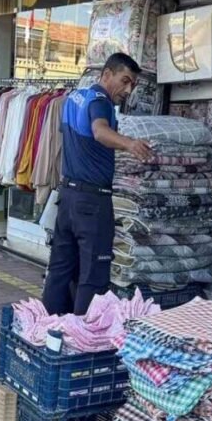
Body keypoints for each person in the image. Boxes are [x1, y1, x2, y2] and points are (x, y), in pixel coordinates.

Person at [41, 52, 153, 316]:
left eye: (133, 85)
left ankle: (48, 332)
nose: (128, 90)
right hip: (92, 202)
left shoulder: (73, 99)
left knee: (60, 270)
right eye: (125, 81)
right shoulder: (100, 101)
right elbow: (99, 131)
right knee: (92, 276)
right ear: (106, 75)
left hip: (68, 198)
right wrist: (130, 143)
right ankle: (82, 342)